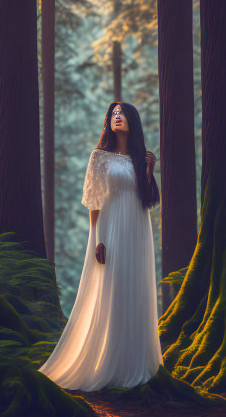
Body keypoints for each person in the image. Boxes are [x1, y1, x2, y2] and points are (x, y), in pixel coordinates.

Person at [39, 101, 163, 390]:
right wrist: (97, 238)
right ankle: (107, 362)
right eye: (113, 114)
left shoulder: (139, 158)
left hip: (137, 228)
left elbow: (146, 199)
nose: (116, 117)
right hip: (111, 228)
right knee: (113, 289)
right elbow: (94, 200)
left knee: (136, 289)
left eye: (122, 114)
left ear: (133, 120)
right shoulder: (99, 157)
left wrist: (148, 170)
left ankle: (135, 363)